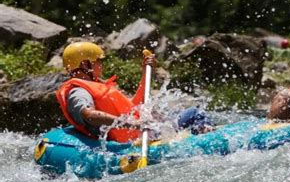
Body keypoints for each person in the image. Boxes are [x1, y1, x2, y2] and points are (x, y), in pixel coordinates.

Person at [56, 42, 214, 143]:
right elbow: (89, 115)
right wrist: (131, 124)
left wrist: (147, 72)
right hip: (134, 140)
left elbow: (136, 104)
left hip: (145, 131)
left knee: (190, 114)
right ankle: (208, 139)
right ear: (85, 65)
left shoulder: (95, 85)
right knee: (194, 113)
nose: (101, 66)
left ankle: (202, 135)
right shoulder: (78, 92)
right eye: (98, 61)